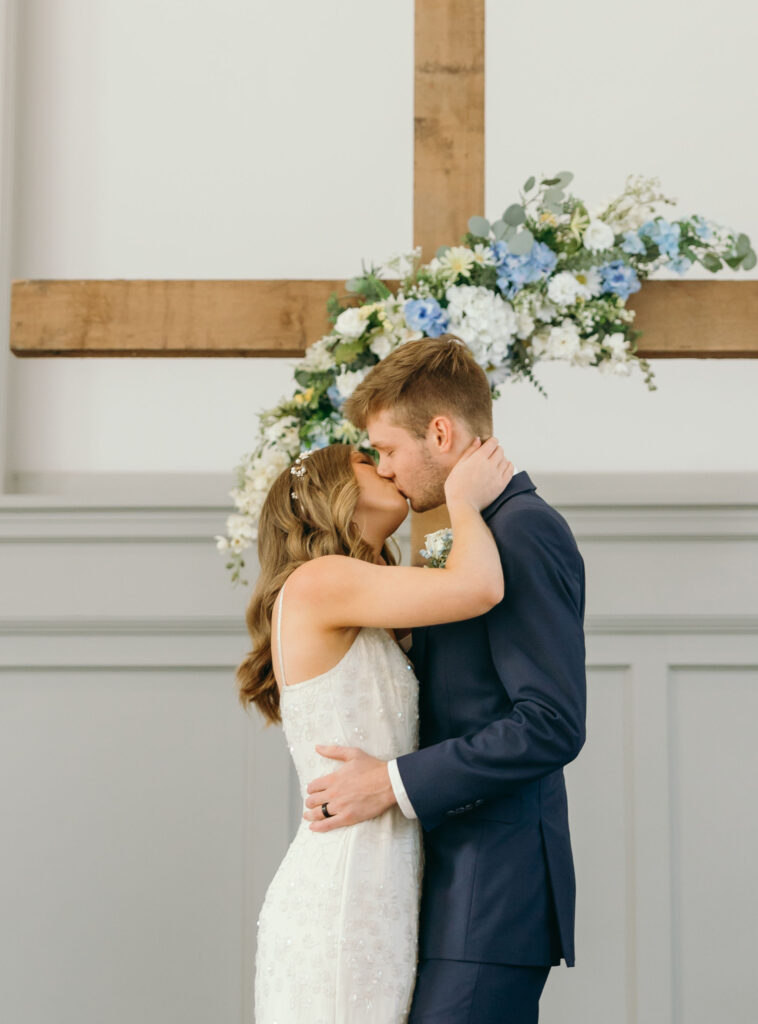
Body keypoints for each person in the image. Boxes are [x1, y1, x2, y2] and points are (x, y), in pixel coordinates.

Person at [302, 335, 587, 1024]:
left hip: (492, 891)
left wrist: (390, 781)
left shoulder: (522, 531)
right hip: (449, 886)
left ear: (440, 432)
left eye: (389, 450)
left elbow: (550, 723)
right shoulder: (475, 536)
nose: (387, 469)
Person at [237, 434, 514, 1022]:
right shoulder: (319, 580)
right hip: (342, 894)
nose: (387, 469)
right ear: (329, 489)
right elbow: (481, 587)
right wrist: (461, 503)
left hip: (386, 884)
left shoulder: (360, 596)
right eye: (369, 460)